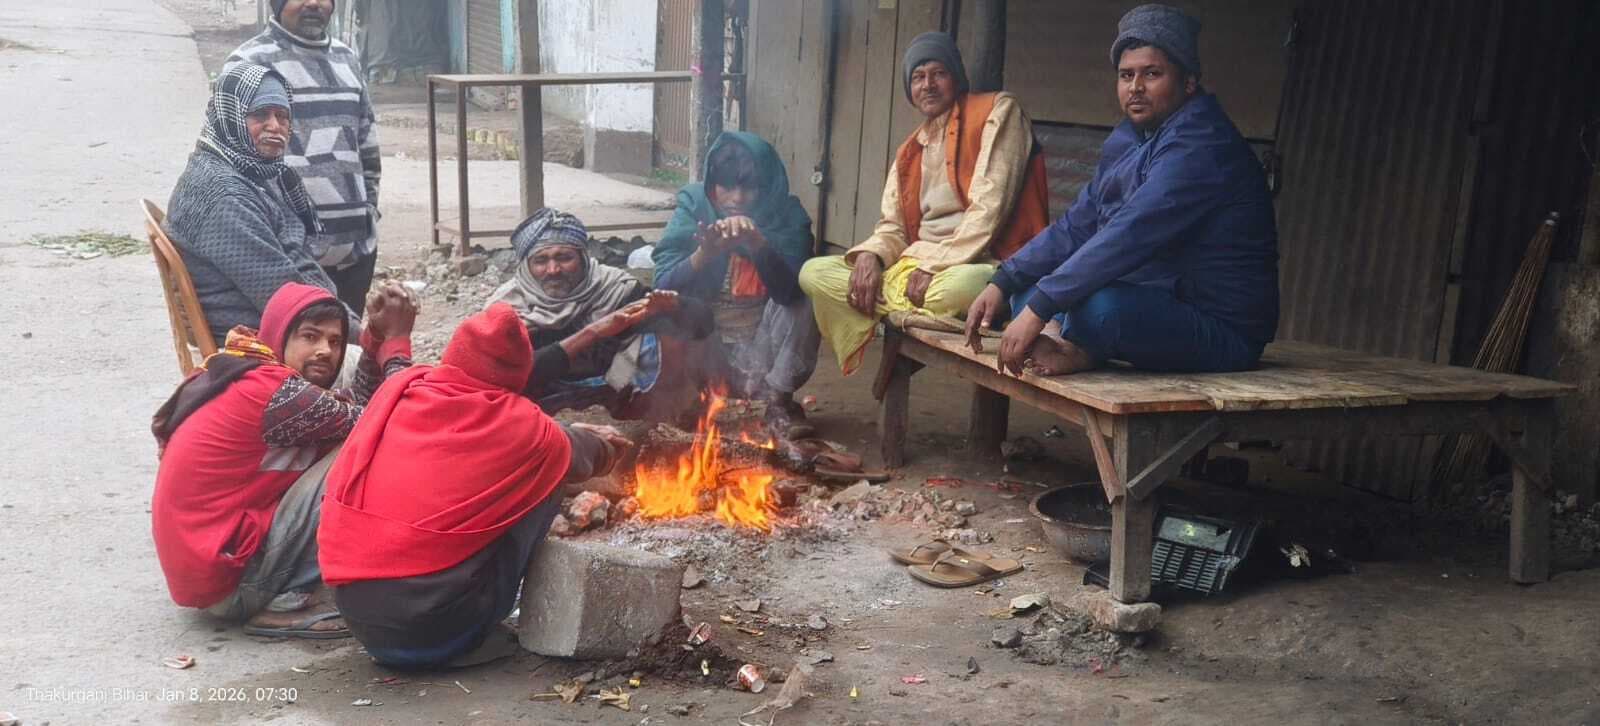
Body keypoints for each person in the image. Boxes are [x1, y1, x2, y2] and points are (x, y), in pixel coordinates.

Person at [966, 4, 1279, 376]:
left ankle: (1074, 342)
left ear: (1189, 81)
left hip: (1220, 329)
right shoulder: (1132, 138)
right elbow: (1077, 224)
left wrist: (1041, 308)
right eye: (1126, 75)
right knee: (1028, 291)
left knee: (1099, 308)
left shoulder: (1203, 144)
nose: (1136, 87)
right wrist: (1003, 280)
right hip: (1160, 301)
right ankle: (1072, 343)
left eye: (1152, 74)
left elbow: (1129, 233)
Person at [318, 304, 629, 669]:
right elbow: (581, 458)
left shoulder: (403, 388)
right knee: (551, 473)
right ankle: (481, 629)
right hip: (436, 636)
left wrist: (564, 435)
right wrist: (605, 448)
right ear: (520, 373)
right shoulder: (530, 429)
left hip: (360, 619)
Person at [150, 280, 417, 638]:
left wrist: (374, 339)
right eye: (310, 337)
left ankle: (287, 585)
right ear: (279, 336)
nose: (325, 350)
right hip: (233, 583)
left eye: (335, 341)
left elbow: (355, 408)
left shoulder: (255, 372)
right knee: (368, 451)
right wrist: (397, 343)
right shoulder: (272, 393)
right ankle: (284, 600)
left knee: (358, 439)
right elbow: (393, 419)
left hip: (215, 573)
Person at [798, 31, 1051, 374]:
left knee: (963, 287)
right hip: (914, 271)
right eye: (918, 77)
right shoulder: (910, 150)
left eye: (938, 73)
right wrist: (871, 256)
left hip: (984, 266)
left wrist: (935, 265)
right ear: (909, 89)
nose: (928, 85)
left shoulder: (997, 110)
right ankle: (902, 302)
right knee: (813, 272)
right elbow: (893, 226)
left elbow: (989, 209)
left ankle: (887, 302)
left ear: (956, 79)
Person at [165, 63, 350, 343]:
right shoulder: (225, 194)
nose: (275, 126)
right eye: (260, 115)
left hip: (286, 323)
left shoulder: (248, 170)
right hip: (254, 342)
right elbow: (287, 297)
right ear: (231, 117)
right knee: (389, 373)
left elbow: (295, 260)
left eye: (283, 116)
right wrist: (370, 336)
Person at [653, 131, 821, 438]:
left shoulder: (787, 216)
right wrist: (704, 254)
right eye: (726, 187)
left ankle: (777, 402)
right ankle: (693, 400)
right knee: (666, 308)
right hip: (707, 350)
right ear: (711, 186)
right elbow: (662, 284)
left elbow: (790, 292)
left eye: (749, 188)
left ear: (767, 187)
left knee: (809, 296)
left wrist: (758, 244)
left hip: (765, 351)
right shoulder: (694, 206)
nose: (737, 199)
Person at [227, 0, 383, 314]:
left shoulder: (347, 59)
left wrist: (368, 213)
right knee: (290, 357)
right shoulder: (249, 62)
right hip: (285, 261)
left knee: (344, 356)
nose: (313, 3)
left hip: (354, 253)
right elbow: (233, 159)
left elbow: (367, 148)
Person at [488, 208, 715, 421]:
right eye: (540, 260)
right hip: (539, 406)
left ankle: (660, 421)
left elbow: (702, 325)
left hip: (614, 396)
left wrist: (676, 306)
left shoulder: (613, 288)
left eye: (564, 258)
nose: (553, 270)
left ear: (583, 259)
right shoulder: (508, 307)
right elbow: (508, 374)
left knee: (668, 337)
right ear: (526, 266)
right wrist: (593, 332)